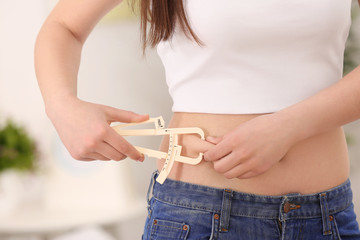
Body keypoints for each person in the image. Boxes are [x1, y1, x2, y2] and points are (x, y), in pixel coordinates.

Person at [34, 0, 360, 239]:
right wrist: (62, 105)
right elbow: (64, 26)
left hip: (326, 217)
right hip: (199, 217)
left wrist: (289, 126)